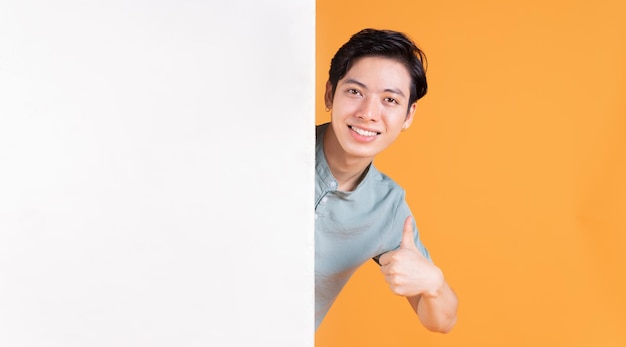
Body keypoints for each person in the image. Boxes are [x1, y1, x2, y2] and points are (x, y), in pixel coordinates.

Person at [315, 28, 458, 333]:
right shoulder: (274, 147)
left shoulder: (388, 208)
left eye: (390, 100)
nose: (368, 113)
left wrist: (433, 283)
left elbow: (442, 321)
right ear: (330, 93)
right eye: (355, 91)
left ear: (408, 116)